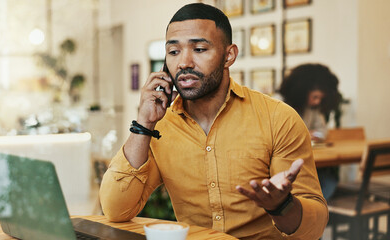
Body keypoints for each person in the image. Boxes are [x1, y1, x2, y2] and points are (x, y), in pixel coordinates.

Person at [99, 3, 328, 239]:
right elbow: (116, 210)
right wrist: (144, 124)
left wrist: (282, 206)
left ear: (229, 55)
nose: (184, 63)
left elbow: (314, 229)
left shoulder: (278, 118)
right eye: (173, 52)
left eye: (199, 49)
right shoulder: (161, 127)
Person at [279, 64, 341, 200]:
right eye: (315, 96)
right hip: (286, 165)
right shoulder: (281, 108)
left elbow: (322, 131)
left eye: (320, 98)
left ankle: (313, 213)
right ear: (303, 92)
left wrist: (314, 135)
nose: (317, 101)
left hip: (309, 161)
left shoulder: (313, 110)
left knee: (329, 181)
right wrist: (306, 134)